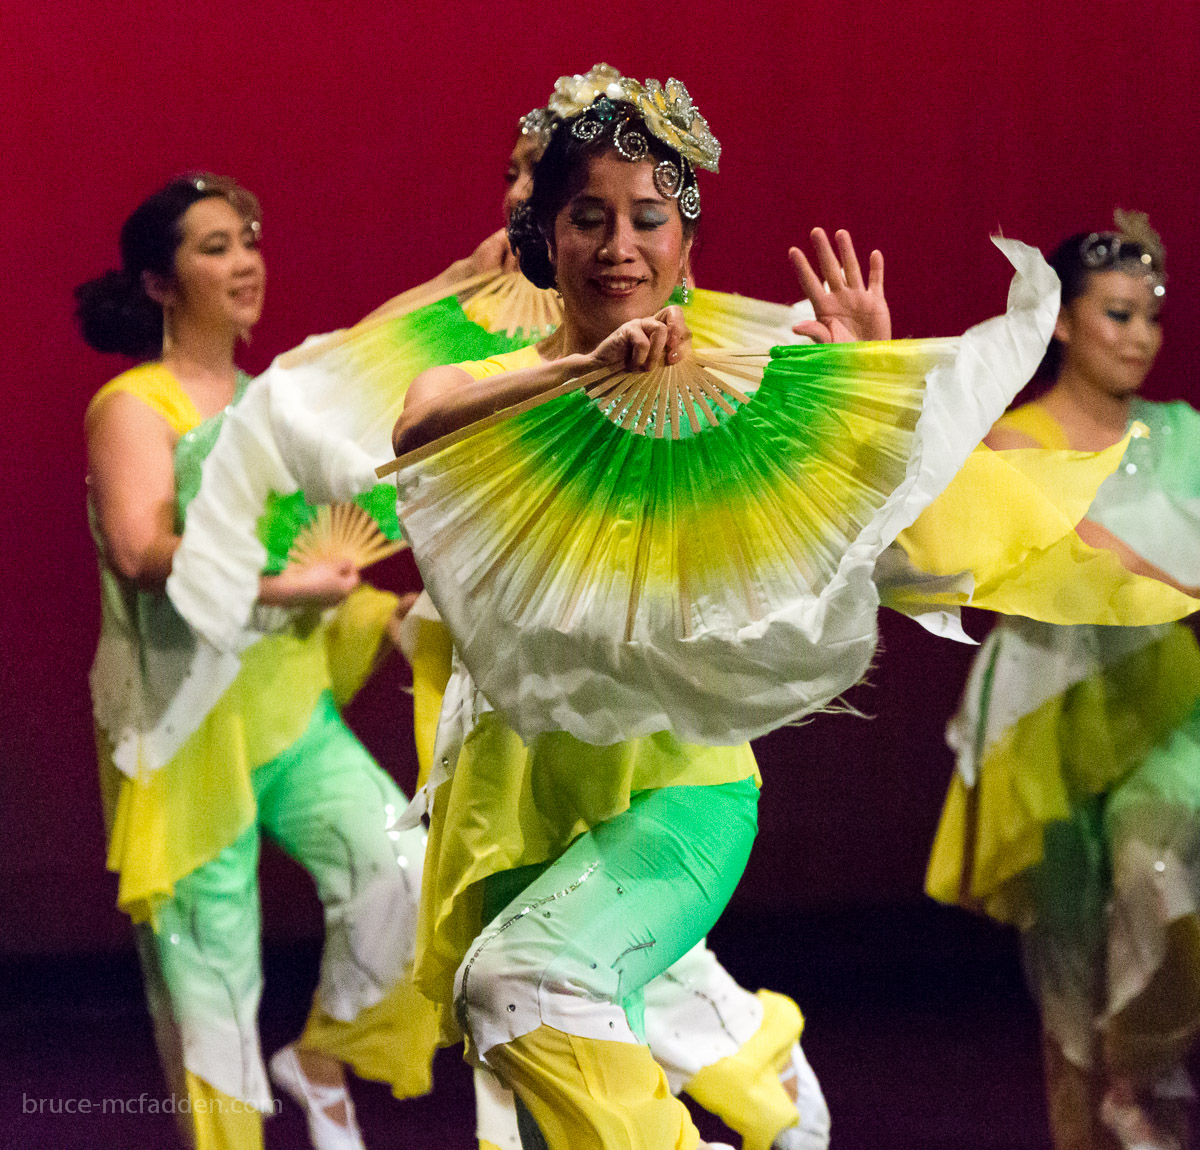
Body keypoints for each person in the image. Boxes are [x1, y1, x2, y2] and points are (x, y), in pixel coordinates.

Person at [79, 173, 436, 1150]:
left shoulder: (265, 400)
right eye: (212, 246)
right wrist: (293, 592)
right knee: (213, 994)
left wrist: (378, 606)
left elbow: (305, 555)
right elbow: (144, 557)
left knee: (400, 870)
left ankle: (320, 1058)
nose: (244, 262)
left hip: (285, 710)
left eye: (248, 239)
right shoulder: (133, 404)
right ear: (158, 282)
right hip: (182, 728)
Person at [926, 213, 1200, 1150]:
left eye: (1152, 318)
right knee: (1070, 971)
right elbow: (1073, 548)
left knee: (1159, 866)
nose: (1138, 336)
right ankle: (1097, 1117)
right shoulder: (1013, 442)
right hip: (1051, 714)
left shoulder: (1184, 432)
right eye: (1118, 314)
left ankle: (1144, 1077)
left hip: (1165, 703)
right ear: (1066, 323)